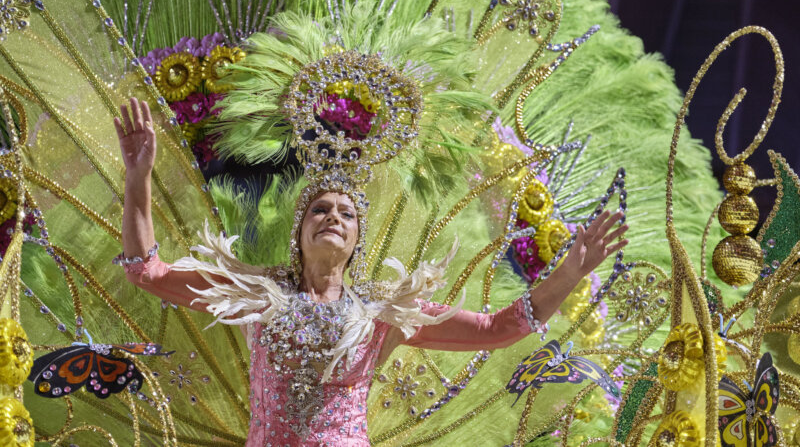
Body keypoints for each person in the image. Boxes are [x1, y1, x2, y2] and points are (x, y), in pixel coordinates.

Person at [113, 97, 628, 446]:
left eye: (346, 213)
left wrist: (571, 272)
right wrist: (138, 179)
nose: (332, 217)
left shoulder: (383, 312)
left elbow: (501, 328)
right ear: (299, 233)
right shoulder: (257, 293)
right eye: (319, 209)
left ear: (357, 240)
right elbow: (147, 272)